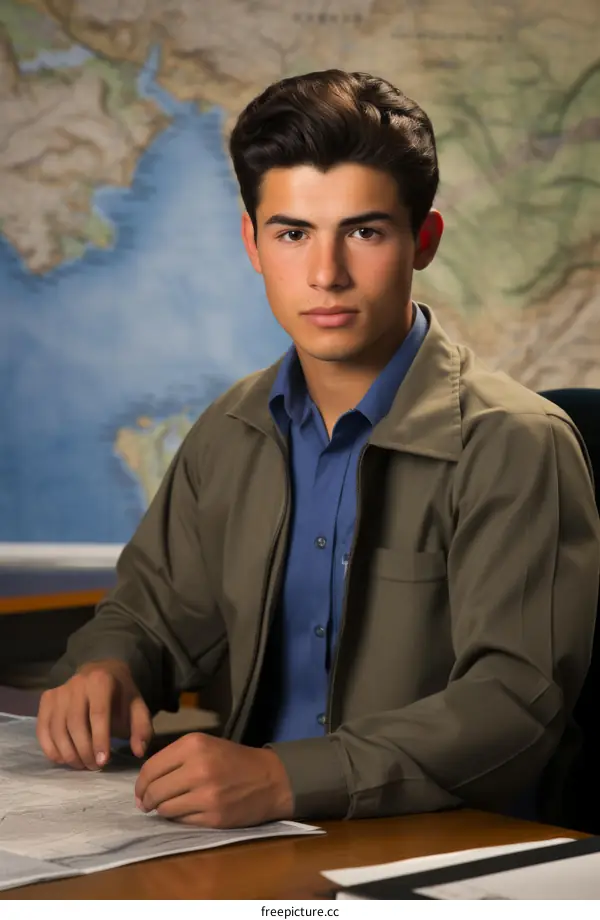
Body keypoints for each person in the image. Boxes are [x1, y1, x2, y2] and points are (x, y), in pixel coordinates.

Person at [37, 69, 600, 830]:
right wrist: (106, 666)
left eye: (364, 232)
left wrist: (282, 778)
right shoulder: (231, 430)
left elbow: (512, 704)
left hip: (443, 851)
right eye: (293, 234)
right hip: (247, 844)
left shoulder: (516, 445)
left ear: (422, 240)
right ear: (253, 243)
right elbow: (148, 616)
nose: (326, 275)